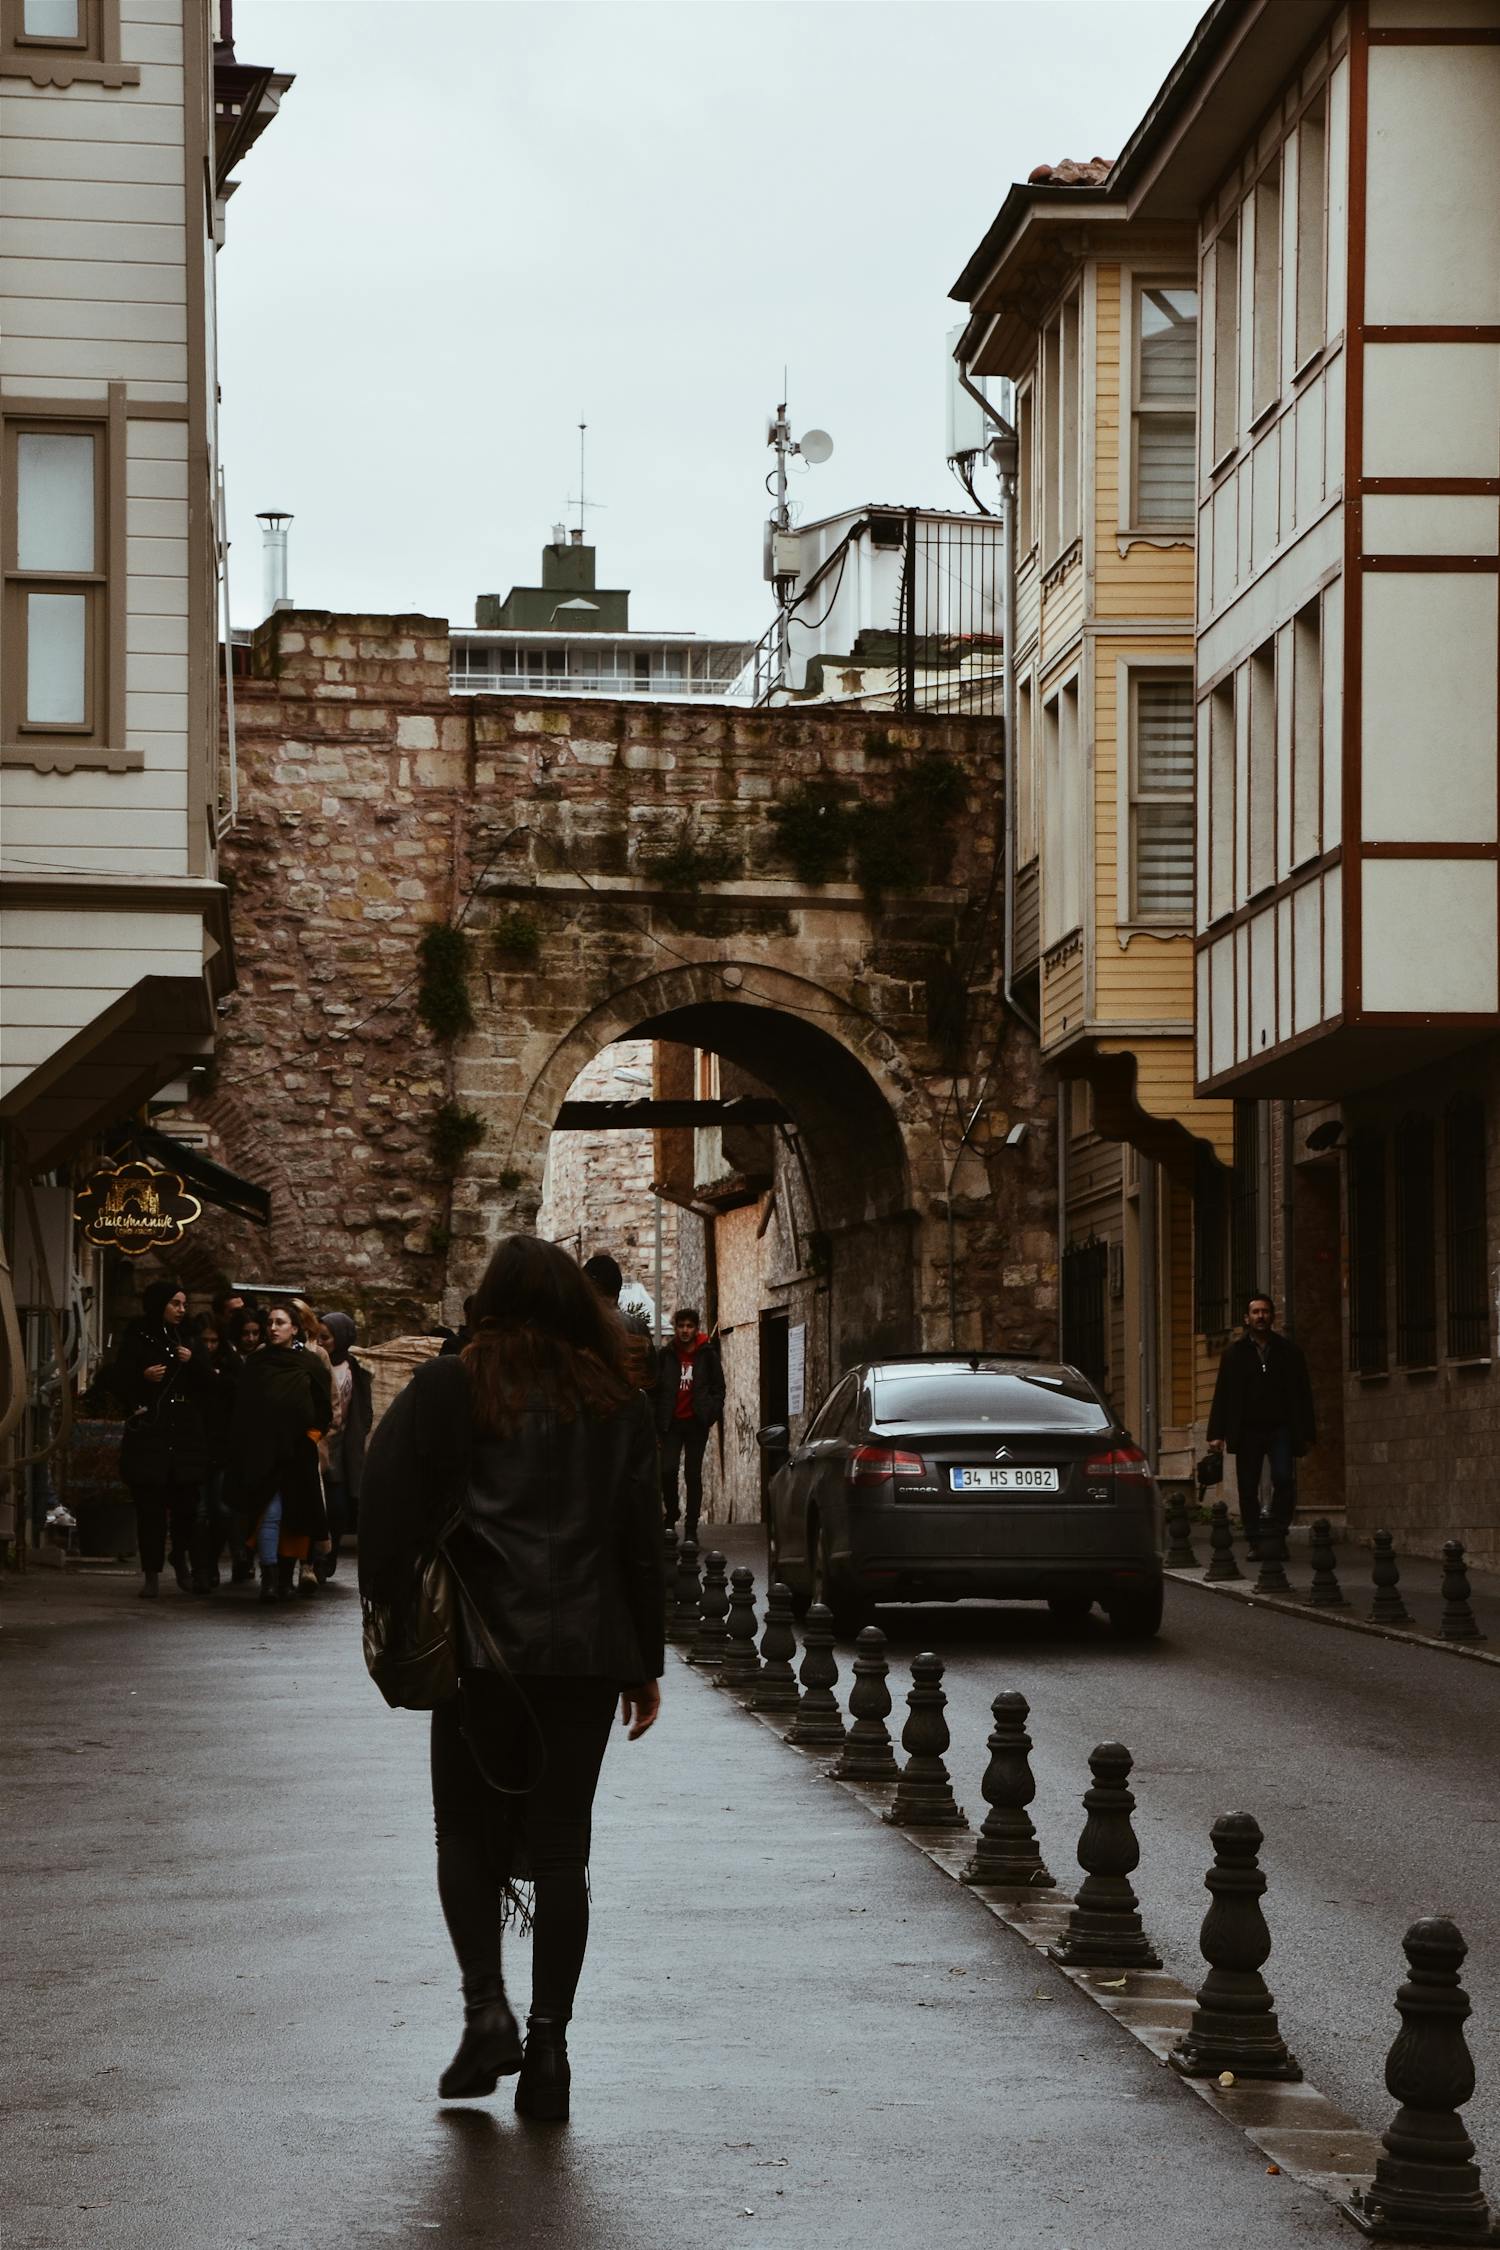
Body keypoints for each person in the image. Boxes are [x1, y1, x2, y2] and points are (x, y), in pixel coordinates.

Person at [359, 1233, 662, 2121]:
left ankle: (484, 2006)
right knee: (563, 1844)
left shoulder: (448, 1387)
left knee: (465, 1831)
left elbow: (381, 1511)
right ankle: (551, 2050)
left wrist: (398, 1610)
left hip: (474, 1654)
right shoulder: (615, 1401)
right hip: (585, 1654)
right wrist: (643, 1662)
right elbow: (641, 1546)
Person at [227, 1302, 333, 1602]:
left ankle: (286, 1578)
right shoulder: (257, 1364)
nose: (273, 1328)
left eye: (280, 1323)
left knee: (296, 1516)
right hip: (264, 1452)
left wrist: (312, 1436)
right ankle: (269, 1578)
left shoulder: (308, 1363)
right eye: (270, 1322)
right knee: (269, 1513)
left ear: (295, 1328)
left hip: (298, 1451)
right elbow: (244, 1409)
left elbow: (323, 1406)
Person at [112, 1277, 209, 1598]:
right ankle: (151, 1573)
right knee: (150, 1508)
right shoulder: (139, 1336)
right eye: (175, 1304)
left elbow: (211, 1384)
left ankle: (179, 1558)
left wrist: (192, 1362)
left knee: (186, 1508)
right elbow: (115, 1378)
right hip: (151, 1433)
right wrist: (142, 1379)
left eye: (184, 1304)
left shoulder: (190, 1337)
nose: (181, 1310)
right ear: (160, 1305)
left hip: (184, 1434)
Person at [1207, 1292, 1316, 1551]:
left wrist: (1307, 1432)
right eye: (1255, 1312)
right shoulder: (1234, 1354)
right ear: (1247, 1318)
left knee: (1283, 1479)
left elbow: (1303, 1394)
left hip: (1280, 1428)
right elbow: (1223, 1394)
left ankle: (1278, 1532)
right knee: (1247, 1484)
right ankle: (1255, 1538)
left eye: (1265, 1312)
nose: (1260, 1317)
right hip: (1247, 1430)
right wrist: (1216, 1434)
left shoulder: (1289, 1352)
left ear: (1273, 1317)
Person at [655, 1306, 723, 1542]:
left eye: (689, 1326)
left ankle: (691, 1526)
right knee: (667, 1470)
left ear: (696, 1328)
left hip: (696, 1423)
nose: (685, 1330)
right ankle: (672, 1513)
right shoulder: (666, 1355)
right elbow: (655, 1389)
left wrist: (709, 1413)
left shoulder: (707, 1355)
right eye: (681, 1326)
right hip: (671, 1423)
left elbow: (719, 1388)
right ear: (675, 1328)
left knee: (693, 1474)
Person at [188, 1311, 244, 1591]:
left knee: (221, 1510)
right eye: (205, 1341)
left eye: (214, 1341)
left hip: (221, 1447)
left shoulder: (229, 1364)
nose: (209, 1346)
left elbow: (236, 1389)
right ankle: (201, 1569)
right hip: (195, 1445)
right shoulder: (191, 1366)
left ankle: (209, 1562)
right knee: (199, 1512)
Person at [317, 1310, 372, 1580]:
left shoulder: (355, 1370)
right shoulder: (315, 1362)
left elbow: (364, 1408)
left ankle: (331, 1551)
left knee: (338, 1507)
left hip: (343, 1447)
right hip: (317, 1441)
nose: (321, 1342)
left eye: (326, 1337)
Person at [582, 1252, 658, 1393]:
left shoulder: (577, 1327)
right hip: (629, 1406)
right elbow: (650, 1378)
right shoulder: (636, 1327)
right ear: (617, 1290)